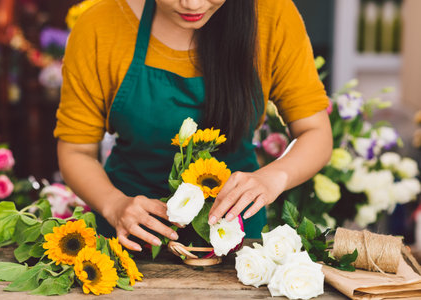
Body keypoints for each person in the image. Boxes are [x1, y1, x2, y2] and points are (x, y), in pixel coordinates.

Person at [54, 0, 333, 252]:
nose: (191, 4)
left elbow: (315, 132)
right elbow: (77, 151)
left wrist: (274, 177)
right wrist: (114, 205)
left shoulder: (272, 15)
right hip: (130, 237)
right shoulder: (99, 25)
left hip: (236, 240)